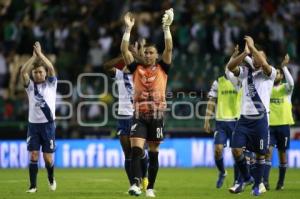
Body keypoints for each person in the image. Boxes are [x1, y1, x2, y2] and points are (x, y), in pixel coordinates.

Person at [120, 8, 174, 197]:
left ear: (156, 55)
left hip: (157, 115)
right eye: (146, 52)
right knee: (135, 149)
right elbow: (124, 50)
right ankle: (135, 184)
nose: (149, 55)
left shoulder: (163, 68)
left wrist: (167, 28)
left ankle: (150, 187)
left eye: (152, 52)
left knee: (153, 152)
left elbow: (169, 48)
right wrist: (128, 29)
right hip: (139, 115)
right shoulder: (136, 68)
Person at [227, 36, 277, 196]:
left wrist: (254, 48)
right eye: (253, 57)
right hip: (244, 119)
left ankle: (258, 185)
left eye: (258, 57)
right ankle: (247, 178)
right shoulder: (246, 73)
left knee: (260, 154)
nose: (255, 59)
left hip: (261, 119)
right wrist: (244, 53)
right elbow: (230, 66)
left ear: (264, 58)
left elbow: (264, 64)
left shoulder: (270, 73)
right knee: (236, 150)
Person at [103, 40, 149, 192]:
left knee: (139, 151)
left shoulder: (142, 74)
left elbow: (148, 64)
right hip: (123, 116)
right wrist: (122, 55)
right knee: (127, 153)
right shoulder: (120, 75)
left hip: (138, 116)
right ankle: (133, 184)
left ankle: (145, 177)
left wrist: (133, 53)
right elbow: (106, 67)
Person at [20, 42, 57, 193]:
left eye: (40, 72)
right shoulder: (30, 87)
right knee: (34, 155)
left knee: (48, 158)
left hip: (48, 125)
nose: (38, 74)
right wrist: (33, 58)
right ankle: (33, 186)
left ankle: (51, 177)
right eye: (35, 73)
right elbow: (23, 71)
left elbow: (51, 68)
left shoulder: (51, 84)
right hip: (33, 125)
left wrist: (41, 55)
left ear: (45, 73)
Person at [204, 46, 241, 189]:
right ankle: (222, 172)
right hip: (220, 122)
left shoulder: (239, 82)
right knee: (218, 149)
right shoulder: (218, 82)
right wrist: (207, 120)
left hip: (237, 122)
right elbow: (211, 101)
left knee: (237, 152)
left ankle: (237, 181)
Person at [263, 54, 294, 190]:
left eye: (280, 74)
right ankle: (265, 181)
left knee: (282, 155)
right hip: (269, 126)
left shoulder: (286, 90)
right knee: (268, 152)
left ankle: (280, 182)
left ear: (282, 76)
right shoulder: (267, 89)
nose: (278, 75)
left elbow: (292, 83)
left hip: (283, 126)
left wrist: (284, 67)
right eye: (276, 73)